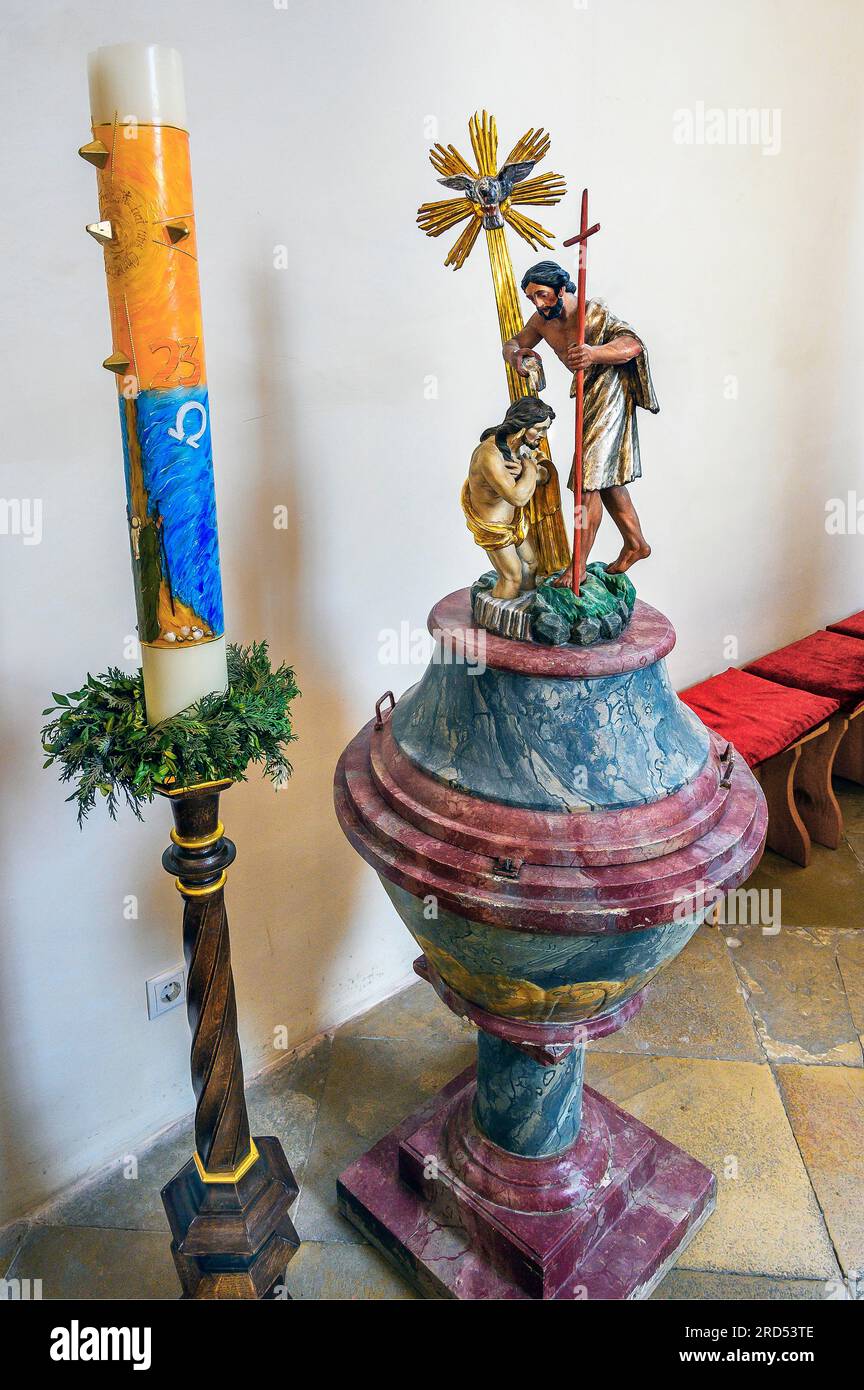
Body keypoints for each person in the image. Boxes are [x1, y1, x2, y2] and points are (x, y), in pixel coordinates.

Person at [503, 260, 658, 579]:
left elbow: (632, 345)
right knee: (604, 479)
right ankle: (636, 542)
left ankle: (578, 569)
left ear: (561, 289)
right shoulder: (541, 320)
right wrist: (517, 355)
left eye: (544, 295)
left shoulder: (592, 314)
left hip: (610, 393)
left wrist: (594, 353)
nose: (538, 303)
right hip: (587, 396)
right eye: (532, 297)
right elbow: (513, 342)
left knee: (586, 480)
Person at [462, 397, 553, 600]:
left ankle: (527, 609)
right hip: (494, 526)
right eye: (539, 429)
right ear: (522, 426)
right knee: (512, 577)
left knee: (532, 565)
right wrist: (529, 469)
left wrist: (530, 471)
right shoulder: (489, 454)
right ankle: (498, 619)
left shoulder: (517, 447)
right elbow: (517, 497)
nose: (542, 436)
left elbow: (545, 475)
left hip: (515, 520)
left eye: (545, 429)